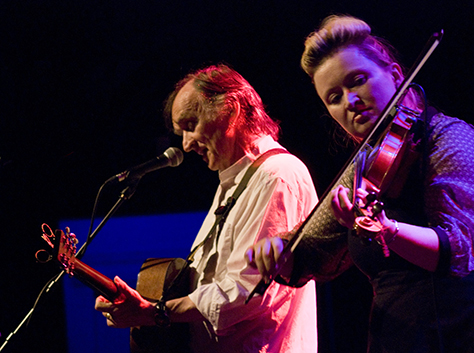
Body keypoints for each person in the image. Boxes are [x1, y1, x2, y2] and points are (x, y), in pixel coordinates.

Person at [246, 15, 474, 353]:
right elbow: (310, 252)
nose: (349, 101)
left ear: (396, 75)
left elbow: (459, 249)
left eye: (358, 81)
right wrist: (278, 251)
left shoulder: (451, 138)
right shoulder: (365, 166)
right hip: (396, 336)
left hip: (467, 330)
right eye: (333, 97)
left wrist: (386, 230)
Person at [94, 64, 318, 353]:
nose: (185, 145)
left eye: (190, 125)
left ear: (232, 108)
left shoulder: (277, 174)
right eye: (180, 133)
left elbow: (247, 290)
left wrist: (155, 313)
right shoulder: (233, 181)